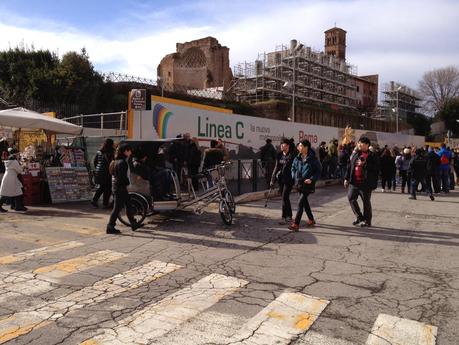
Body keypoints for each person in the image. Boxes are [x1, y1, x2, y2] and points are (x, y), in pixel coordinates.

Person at [106, 143, 141, 234]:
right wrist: (128, 183)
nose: (131, 152)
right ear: (125, 151)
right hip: (120, 188)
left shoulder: (116, 161)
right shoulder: (122, 162)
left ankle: (133, 223)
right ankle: (110, 226)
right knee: (117, 208)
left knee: (128, 205)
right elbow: (122, 177)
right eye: (129, 150)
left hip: (117, 187)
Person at [344, 136, 379, 227]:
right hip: (354, 182)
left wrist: (365, 164)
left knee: (366, 202)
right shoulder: (356, 154)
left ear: (367, 145)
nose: (359, 144)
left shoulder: (372, 155)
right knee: (351, 198)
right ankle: (359, 217)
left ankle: (367, 221)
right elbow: (349, 166)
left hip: (365, 183)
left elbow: (376, 168)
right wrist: (346, 178)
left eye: (361, 143)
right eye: (359, 143)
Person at [289, 139, 322, 232]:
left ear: (306, 147)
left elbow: (318, 171)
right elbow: (293, 168)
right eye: (298, 146)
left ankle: (296, 224)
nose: (298, 147)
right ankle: (311, 220)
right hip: (298, 183)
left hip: (308, 184)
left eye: (300, 146)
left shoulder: (313, 159)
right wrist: (294, 176)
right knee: (304, 203)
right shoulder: (297, 157)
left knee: (300, 202)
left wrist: (312, 179)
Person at [272, 138, 295, 225]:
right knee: (285, 198)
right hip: (281, 179)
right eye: (281, 144)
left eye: (283, 144)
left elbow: (294, 168)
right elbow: (276, 167)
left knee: (284, 197)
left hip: (289, 180)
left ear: (288, 146)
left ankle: (284, 217)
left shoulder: (292, 156)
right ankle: (289, 215)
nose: (281, 146)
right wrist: (272, 179)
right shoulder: (279, 155)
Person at [91, 138, 114, 208]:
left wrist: (98, 169)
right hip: (107, 173)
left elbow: (95, 162)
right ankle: (105, 203)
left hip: (99, 172)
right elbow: (112, 163)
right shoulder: (111, 152)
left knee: (101, 187)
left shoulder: (99, 152)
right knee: (108, 188)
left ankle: (94, 200)